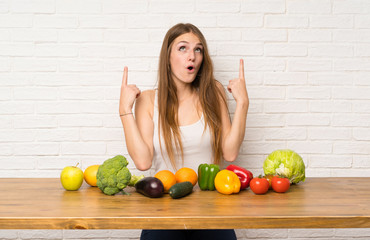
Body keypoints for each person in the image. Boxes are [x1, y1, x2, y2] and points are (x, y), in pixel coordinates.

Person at [119, 23, 249, 240]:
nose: (192, 56)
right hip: (163, 212)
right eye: (183, 48)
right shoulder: (149, 100)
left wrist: (243, 103)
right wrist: (125, 110)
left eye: (198, 49)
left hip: (211, 210)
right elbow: (143, 162)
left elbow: (230, 153)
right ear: (167, 57)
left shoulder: (213, 93)